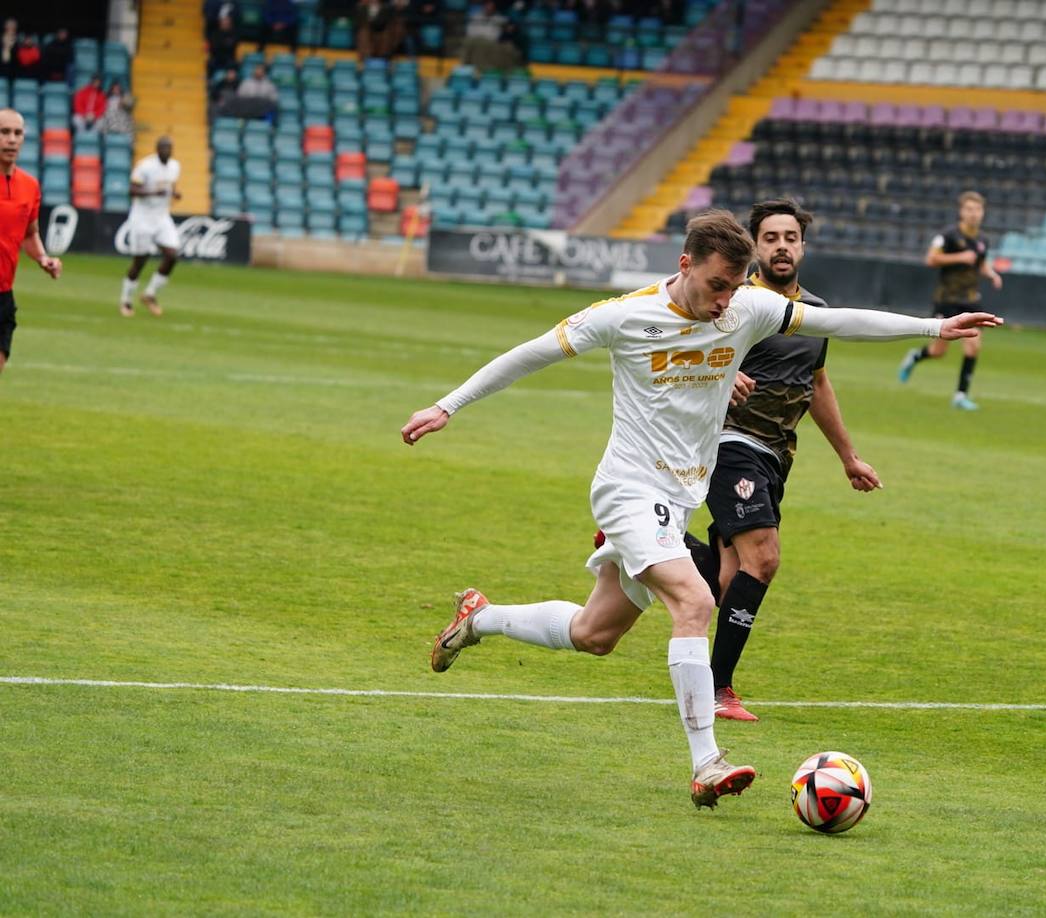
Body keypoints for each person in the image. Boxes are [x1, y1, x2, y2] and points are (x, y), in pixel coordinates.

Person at [401, 210, 1001, 808]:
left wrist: (932, 328)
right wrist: (447, 406)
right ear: (685, 265)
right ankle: (707, 762)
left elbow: (833, 321)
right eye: (717, 284)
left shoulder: (747, 308)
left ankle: (477, 618)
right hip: (629, 489)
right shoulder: (625, 315)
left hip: (679, 496)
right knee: (696, 601)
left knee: (595, 635)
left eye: (737, 285)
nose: (726, 300)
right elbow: (528, 355)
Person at [675, 198, 883, 723]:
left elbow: (816, 384)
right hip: (729, 444)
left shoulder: (812, 312)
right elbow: (682, 344)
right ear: (754, 247)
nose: (782, 246)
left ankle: (653, 541)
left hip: (776, 458)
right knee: (763, 560)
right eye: (771, 238)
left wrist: (849, 457)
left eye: (790, 237)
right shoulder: (734, 301)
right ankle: (720, 690)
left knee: (726, 581)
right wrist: (718, 369)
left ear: (803, 246)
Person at [897, 191, 1002, 411]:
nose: (974, 214)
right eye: (970, 209)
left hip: (971, 299)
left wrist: (991, 274)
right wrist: (959, 257)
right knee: (939, 351)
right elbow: (931, 258)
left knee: (973, 346)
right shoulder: (948, 236)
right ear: (961, 212)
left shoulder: (983, 240)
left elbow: (980, 264)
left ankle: (960, 395)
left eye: (978, 209)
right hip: (947, 299)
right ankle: (916, 356)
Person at [0, 109, 63, 377]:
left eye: (17, 133)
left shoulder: (30, 186)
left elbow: (29, 233)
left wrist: (43, 258)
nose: (12, 139)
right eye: (4, 132)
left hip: (3, 295)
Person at [120, 136, 182, 318]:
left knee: (172, 255)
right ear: (157, 149)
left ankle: (149, 294)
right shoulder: (145, 166)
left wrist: (175, 193)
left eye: (169, 148)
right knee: (140, 261)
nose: (166, 151)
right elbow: (132, 190)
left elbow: (171, 187)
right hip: (142, 218)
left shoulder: (175, 166)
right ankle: (126, 300)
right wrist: (154, 192)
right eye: (163, 148)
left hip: (162, 217)